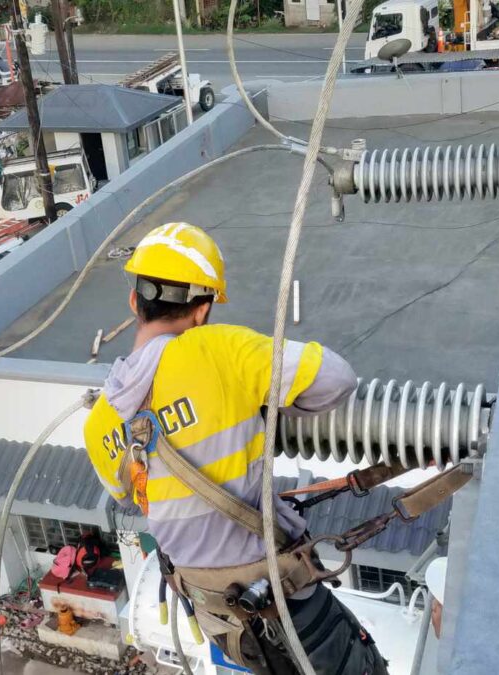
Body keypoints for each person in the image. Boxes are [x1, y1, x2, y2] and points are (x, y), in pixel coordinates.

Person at [83, 223, 388, 674]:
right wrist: (256, 403)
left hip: (221, 624)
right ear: (203, 310)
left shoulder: (100, 421)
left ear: (135, 302)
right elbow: (338, 381)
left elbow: (129, 493)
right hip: (289, 608)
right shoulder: (218, 350)